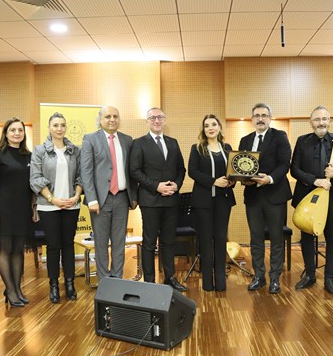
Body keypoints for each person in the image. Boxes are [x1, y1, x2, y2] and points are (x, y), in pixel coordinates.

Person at [291, 105, 333, 295]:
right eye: (317, 119)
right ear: (311, 123)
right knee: (307, 236)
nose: (321, 123)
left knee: (332, 237)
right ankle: (310, 275)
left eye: (325, 119)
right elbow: (294, 169)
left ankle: (329, 277)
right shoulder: (302, 141)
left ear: (330, 121)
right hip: (308, 196)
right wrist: (315, 180)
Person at [130, 107, 187, 292]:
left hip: (171, 200)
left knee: (169, 241)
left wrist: (176, 185)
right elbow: (135, 171)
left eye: (160, 117)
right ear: (147, 121)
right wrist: (156, 186)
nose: (156, 120)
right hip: (150, 201)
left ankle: (170, 278)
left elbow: (181, 169)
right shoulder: (139, 143)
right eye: (153, 118)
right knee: (149, 243)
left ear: (164, 120)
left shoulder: (173, 142)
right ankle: (149, 282)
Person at [238, 103, 292, 294]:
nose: (260, 119)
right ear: (252, 119)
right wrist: (244, 180)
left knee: (277, 238)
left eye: (264, 115)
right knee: (255, 238)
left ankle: (275, 278)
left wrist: (269, 178)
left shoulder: (280, 136)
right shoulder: (245, 140)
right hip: (253, 197)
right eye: (257, 116)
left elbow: (285, 163)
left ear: (270, 118)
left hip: (275, 195)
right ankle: (259, 276)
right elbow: (240, 166)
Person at [0, 118, 37, 308]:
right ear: (6, 133)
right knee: (6, 250)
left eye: (20, 130)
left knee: (18, 250)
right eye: (12, 130)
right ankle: (11, 291)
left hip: (22, 209)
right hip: (4, 209)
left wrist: (34, 208)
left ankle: (17, 289)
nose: (17, 133)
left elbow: (32, 185)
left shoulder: (29, 156)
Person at [30, 112, 83, 303]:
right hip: (48, 206)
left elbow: (81, 176)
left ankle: (69, 284)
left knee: (68, 244)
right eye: (55, 125)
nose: (59, 129)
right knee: (53, 246)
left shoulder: (75, 150)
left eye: (62, 125)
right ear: (49, 128)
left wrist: (76, 196)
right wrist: (53, 199)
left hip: (71, 205)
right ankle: (53, 285)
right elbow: (35, 179)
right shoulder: (39, 151)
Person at [80, 106, 138, 282]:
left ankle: (117, 281)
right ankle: (105, 282)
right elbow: (86, 172)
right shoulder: (90, 139)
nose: (112, 119)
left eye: (115, 116)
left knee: (119, 243)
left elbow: (132, 171)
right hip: (100, 200)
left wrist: (134, 196)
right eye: (108, 116)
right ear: (100, 119)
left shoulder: (128, 140)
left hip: (122, 197)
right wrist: (91, 199)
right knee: (101, 244)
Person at [188, 114, 236, 291]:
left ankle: (221, 282)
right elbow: (192, 171)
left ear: (219, 127)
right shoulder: (197, 148)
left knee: (221, 239)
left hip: (223, 200)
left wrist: (231, 182)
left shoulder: (227, 148)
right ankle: (207, 282)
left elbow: (232, 171)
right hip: (203, 202)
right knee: (206, 241)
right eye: (207, 125)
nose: (210, 128)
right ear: (203, 129)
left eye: (213, 124)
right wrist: (213, 182)